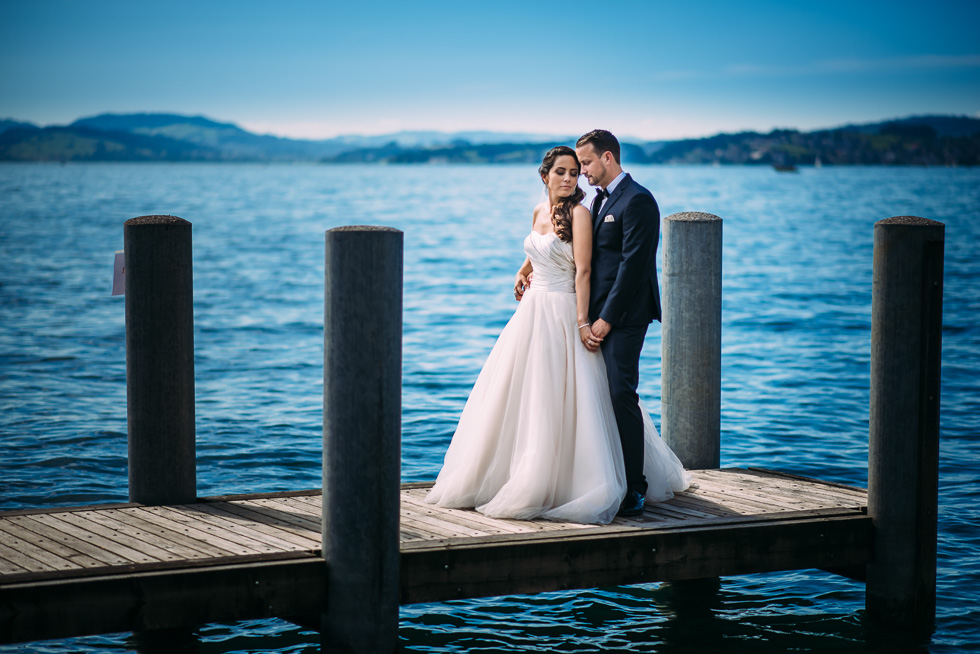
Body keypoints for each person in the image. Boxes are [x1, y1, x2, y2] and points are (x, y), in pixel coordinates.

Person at [425, 145, 689, 525]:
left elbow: (585, 271)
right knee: (526, 392)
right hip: (532, 311)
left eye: (575, 170)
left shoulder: (587, 212)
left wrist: (585, 321)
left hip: (566, 310)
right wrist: (522, 271)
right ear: (545, 175)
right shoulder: (541, 211)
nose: (570, 177)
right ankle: (512, 472)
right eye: (562, 171)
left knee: (582, 393)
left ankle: (611, 481)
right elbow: (538, 249)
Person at [575, 129, 664, 516]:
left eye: (587, 164)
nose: (582, 173)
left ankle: (635, 487)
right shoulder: (597, 202)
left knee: (620, 394)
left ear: (608, 157)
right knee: (595, 395)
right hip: (596, 315)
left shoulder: (639, 200)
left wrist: (607, 319)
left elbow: (633, 266)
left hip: (626, 317)